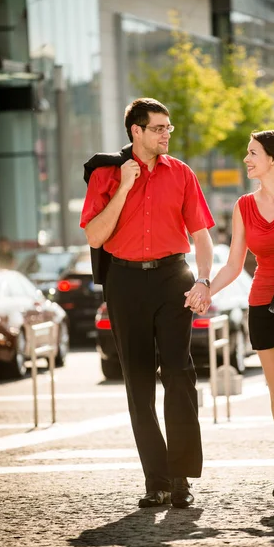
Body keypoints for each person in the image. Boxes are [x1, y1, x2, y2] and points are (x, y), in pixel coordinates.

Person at [80, 98, 214, 509]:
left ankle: (181, 479)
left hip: (174, 278)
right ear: (136, 131)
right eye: (158, 128)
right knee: (138, 384)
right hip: (123, 282)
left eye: (168, 128)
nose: (166, 134)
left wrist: (205, 281)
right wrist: (123, 186)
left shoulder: (183, 173)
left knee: (179, 374)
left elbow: (203, 236)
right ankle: (155, 481)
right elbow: (95, 237)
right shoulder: (106, 175)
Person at [185, 130, 274, 505]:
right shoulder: (244, 205)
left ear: (273, 159)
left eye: (252, 153)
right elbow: (233, 265)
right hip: (262, 304)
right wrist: (206, 290)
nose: (246, 160)